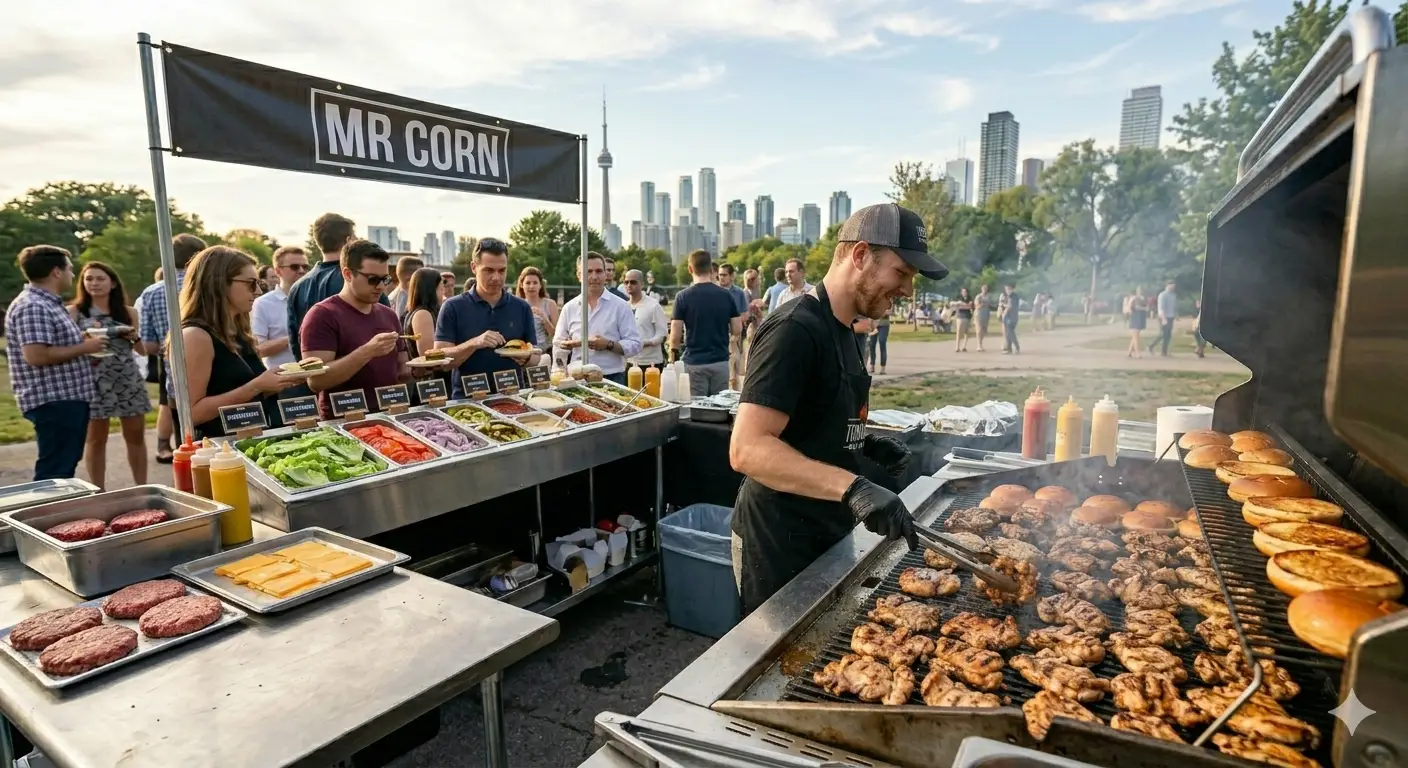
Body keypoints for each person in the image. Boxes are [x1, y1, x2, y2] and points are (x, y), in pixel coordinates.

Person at [729, 203, 945, 614]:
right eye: (901, 273)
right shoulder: (794, 328)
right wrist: (854, 487)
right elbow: (748, 449)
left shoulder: (846, 330)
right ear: (860, 255)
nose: (907, 291)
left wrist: (862, 445)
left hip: (828, 531)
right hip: (778, 542)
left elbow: (811, 421)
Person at [5, 246, 104, 480]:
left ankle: (57, 513)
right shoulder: (33, 306)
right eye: (70, 269)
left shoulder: (48, 303)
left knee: (64, 464)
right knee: (55, 470)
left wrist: (81, 338)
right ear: (56, 272)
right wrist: (86, 347)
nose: (73, 274)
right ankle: (45, 514)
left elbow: (50, 343)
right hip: (54, 400)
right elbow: (36, 355)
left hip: (66, 399)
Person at [177, 246, 294, 438]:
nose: (257, 291)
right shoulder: (195, 336)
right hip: (220, 452)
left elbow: (239, 390)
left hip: (250, 440)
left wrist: (276, 381)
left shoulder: (236, 330)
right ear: (220, 284)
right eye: (251, 283)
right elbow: (192, 413)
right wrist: (257, 386)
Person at [300, 240, 411, 419]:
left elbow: (401, 368)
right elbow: (316, 380)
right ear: (348, 274)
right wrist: (367, 351)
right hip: (345, 420)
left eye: (385, 279)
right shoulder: (322, 315)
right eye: (373, 279)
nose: (381, 286)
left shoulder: (388, 314)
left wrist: (422, 367)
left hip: (390, 415)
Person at [70, 262, 149, 489]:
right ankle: (99, 490)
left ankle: (141, 487)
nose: (94, 283)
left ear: (112, 283)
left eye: (100, 278)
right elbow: (69, 348)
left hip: (126, 378)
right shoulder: (75, 312)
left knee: (135, 437)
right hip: (92, 380)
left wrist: (134, 337)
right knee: (95, 439)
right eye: (89, 279)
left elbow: (142, 351)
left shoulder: (128, 312)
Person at [433, 238, 541, 398]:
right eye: (489, 270)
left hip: (512, 398)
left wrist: (526, 358)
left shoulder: (521, 307)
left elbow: (536, 357)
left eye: (501, 271)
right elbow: (441, 361)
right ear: (473, 268)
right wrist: (475, 343)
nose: (496, 277)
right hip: (468, 401)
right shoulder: (453, 306)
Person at [140, 233, 206, 452]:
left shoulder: (152, 292)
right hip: (212, 377)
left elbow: (148, 345)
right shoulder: (204, 285)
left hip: (174, 378)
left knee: (185, 449)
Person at [288, 213, 384, 362]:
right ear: (349, 241)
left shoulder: (297, 287)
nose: (380, 286)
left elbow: (294, 341)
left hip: (313, 375)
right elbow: (383, 327)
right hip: (362, 376)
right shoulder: (361, 278)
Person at [554, 252, 641, 384]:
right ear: (579, 275)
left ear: (605, 274)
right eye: (588, 271)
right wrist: (559, 372)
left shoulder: (621, 306)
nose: (594, 277)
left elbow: (635, 344)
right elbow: (558, 345)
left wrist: (608, 344)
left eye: (599, 271)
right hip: (577, 378)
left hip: (611, 377)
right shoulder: (569, 308)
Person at [670, 250, 742, 397]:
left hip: (694, 362)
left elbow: (675, 335)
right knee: (720, 407)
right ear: (711, 269)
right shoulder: (726, 295)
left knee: (697, 409)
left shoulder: (682, 297)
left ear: (690, 269)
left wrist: (673, 358)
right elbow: (737, 328)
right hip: (720, 361)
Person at [251, 245, 309, 372]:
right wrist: (294, 337)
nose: (301, 271)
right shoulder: (262, 304)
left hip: (316, 376)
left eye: (305, 267)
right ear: (278, 271)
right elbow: (258, 350)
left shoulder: (314, 298)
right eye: (294, 267)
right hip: (283, 381)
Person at [401, 267, 452, 401]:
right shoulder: (423, 314)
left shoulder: (422, 312)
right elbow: (428, 355)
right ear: (430, 290)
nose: (444, 293)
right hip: (429, 385)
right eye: (441, 288)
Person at [622, 269, 668, 370]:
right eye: (626, 282)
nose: (629, 285)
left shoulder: (653, 306)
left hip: (651, 363)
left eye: (633, 282)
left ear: (642, 284)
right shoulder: (624, 307)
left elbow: (662, 334)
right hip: (629, 362)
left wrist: (645, 343)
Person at [716, 263, 750, 389]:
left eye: (724, 275)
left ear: (731, 276)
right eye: (719, 275)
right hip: (718, 334)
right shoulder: (714, 291)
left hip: (734, 336)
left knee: (736, 370)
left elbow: (745, 314)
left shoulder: (739, 293)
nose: (721, 278)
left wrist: (733, 320)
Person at [515, 266, 559, 353]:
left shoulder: (550, 304)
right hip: (523, 353)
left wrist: (544, 318)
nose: (531, 286)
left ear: (540, 285)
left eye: (535, 283)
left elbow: (557, 335)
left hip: (545, 352)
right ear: (521, 285)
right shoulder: (517, 305)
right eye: (528, 283)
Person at [1150, 281, 1177, 357]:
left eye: (1174, 286)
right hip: (1163, 316)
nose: (1173, 288)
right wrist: (1163, 318)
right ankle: (1151, 346)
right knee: (1163, 334)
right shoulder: (1162, 295)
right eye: (1171, 286)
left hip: (1171, 316)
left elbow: (1174, 306)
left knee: (1168, 335)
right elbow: (1161, 308)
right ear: (1167, 285)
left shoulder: (1173, 295)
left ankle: (1164, 351)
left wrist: (1175, 315)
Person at [1127, 285, 1149, 359]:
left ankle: (1129, 351)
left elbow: (1147, 306)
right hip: (1135, 317)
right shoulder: (1134, 298)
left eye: (1142, 290)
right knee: (1136, 336)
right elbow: (1132, 307)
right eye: (1139, 290)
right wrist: (1144, 308)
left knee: (1135, 335)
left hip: (1141, 317)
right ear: (1137, 291)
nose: (1141, 291)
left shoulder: (1144, 298)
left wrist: (1145, 308)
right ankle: (1137, 353)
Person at [999, 283, 1021, 354]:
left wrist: (1005, 311)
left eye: (1008, 289)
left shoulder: (1014, 296)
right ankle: (1009, 349)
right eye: (1006, 289)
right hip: (1006, 317)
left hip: (1012, 317)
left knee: (1010, 333)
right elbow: (1002, 305)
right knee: (1008, 333)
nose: (1007, 290)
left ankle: (1017, 347)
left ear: (1012, 289)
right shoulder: (1005, 296)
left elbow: (1010, 306)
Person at [953, 287, 974, 352]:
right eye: (963, 291)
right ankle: (957, 347)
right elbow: (952, 304)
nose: (964, 293)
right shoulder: (959, 297)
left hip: (967, 316)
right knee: (959, 331)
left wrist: (961, 305)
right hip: (960, 316)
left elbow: (969, 306)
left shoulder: (969, 298)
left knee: (966, 332)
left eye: (965, 291)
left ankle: (964, 346)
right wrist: (960, 304)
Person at [974, 283, 993, 351]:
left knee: (984, 331)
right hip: (979, 314)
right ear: (981, 289)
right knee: (979, 330)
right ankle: (978, 345)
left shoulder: (988, 296)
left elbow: (989, 305)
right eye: (983, 288)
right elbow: (977, 305)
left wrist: (984, 304)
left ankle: (981, 344)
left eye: (986, 288)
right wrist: (982, 304)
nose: (985, 289)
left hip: (986, 315)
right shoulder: (978, 296)